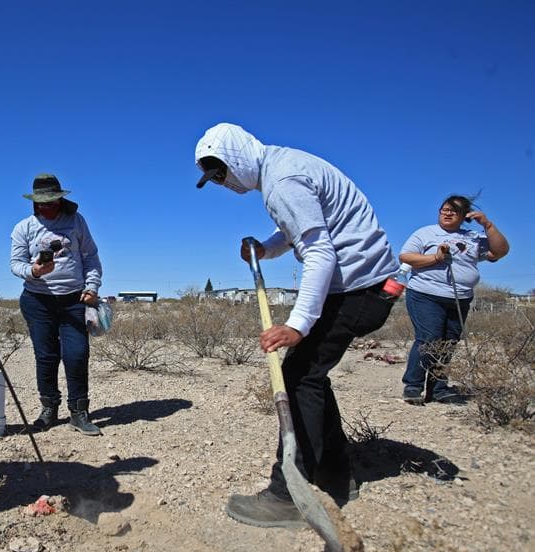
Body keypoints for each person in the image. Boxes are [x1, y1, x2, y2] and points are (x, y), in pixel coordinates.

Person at [194, 123, 399, 528]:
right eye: (212, 179)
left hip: (357, 290)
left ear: (236, 158)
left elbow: (320, 252)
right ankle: (336, 476)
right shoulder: (283, 166)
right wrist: (267, 248)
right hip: (364, 287)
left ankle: (290, 495)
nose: (221, 183)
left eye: (220, 172)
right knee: (310, 376)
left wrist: (298, 325)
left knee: (298, 376)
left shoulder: (282, 180)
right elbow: (302, 229)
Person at [10, 174, 103, 436]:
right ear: (34, 203)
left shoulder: (76, 221)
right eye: (41, 203)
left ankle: (79, 412)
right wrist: (34, 270)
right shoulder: (23, 228)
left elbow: (91, 257)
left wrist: (91, 286)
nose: (46, 207)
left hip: (74, 300)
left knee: (76, 354)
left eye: (51, 202)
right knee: (46, 356)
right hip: (37, 301)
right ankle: (48, 409)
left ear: (60, 199)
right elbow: (15, 263)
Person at [398, 195, 509, 405]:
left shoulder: (474, 237)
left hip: (460, 298)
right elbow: (406, 257)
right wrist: (435, 258)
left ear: (464, 216)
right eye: (444, 209)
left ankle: (438, 388)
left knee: (449, 342)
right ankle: (413, 385)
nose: (447, 213)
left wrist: (488, 225)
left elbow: (500, 251)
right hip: (425, 295)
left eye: (454, 211)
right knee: (429, 339)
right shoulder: (425, 233)